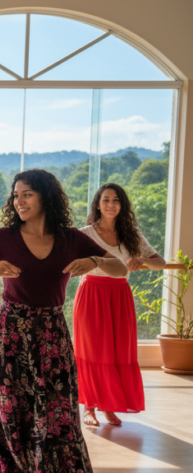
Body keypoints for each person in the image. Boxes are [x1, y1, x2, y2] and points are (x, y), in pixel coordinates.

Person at [0, 169, 126, 473]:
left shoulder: (70, 239)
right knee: (9, 411)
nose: (19, 201)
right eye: (16, 196)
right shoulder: (4, 237)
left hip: (51, 334)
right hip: (10, 333)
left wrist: (93, 261)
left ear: (45, 196)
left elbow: (119, 268)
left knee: (55, 414)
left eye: (26, 194)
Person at [76, 183, 166, 427]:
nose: (111, 204)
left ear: (122, 205)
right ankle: (89, 408)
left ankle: (109, 406)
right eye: (106, 200)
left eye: (116, 200)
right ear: (97, 203)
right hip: (92, 294)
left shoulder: (131, 234)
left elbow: (160, 262)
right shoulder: (85, 233)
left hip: (120, 295)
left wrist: (140, 259)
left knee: (117, 352)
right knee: (93, 351)